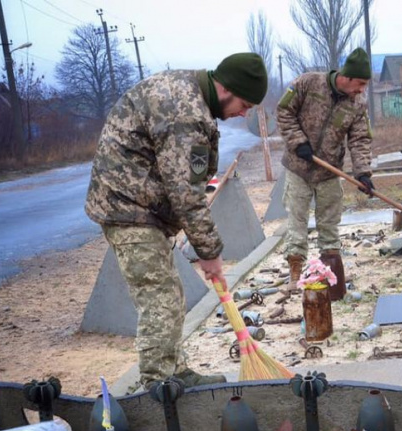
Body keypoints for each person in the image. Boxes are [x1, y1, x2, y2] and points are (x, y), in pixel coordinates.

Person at [85, 53, 268, 390]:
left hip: (140, 206)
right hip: (129, 208)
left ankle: (175, 370)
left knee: (170, 292)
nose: (243, 113)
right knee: (160, 295)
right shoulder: (186, 112)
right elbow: (186, 192)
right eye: (243, 104)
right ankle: (158, 385)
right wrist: (209, 251)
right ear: (225, 87)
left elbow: (186, 183)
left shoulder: (190, 95)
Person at [276, 47, 375, 299]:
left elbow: (360, 139)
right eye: (360, 83)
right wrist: (298, 142)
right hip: (298, 167)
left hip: (330, 171)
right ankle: (295, 274)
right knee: (297, 222)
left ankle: (329, 276)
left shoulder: (357, 103)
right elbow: (284, 111)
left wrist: (363, 172)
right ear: (347, 76)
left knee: (329, 226)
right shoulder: (308, 83)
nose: (362, 89)